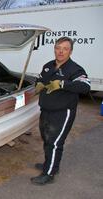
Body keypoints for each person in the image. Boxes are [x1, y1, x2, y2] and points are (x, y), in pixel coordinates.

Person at [31, 37, 91, 185]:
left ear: (70, 51)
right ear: (54, 48)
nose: (61, 51)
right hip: (46, 110)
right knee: (47, 139)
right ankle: (50, 164)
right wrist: (38, 84)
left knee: (55, 142)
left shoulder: (75, 69)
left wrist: (63, 84)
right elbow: (40, 78)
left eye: (65, 48)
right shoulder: (48, 66)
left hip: (63, 112)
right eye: (58, 48)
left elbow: (85, 86)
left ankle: (49, 173)